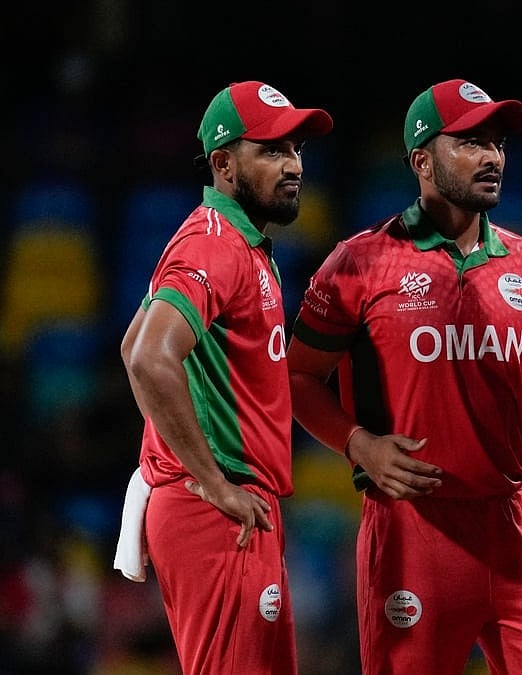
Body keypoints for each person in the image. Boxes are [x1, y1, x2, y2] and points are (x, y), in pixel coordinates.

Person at [286, 78, 522, 675]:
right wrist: (358, 444)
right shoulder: (359, 262)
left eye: (497, 143)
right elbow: (298, 378)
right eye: (471, 142)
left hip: (515, 525)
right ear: (421, 160)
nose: (492, 157)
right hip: (413, 531)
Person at [117, 80, 333, 675]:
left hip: (229, 509)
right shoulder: (215, 247)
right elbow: (147, 358)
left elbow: (133, 341)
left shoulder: (232, 242)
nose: (292, 165)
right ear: (223, 163)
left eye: (296, 150)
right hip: (218, 512)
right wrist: (209, 481)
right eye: (271, 150)